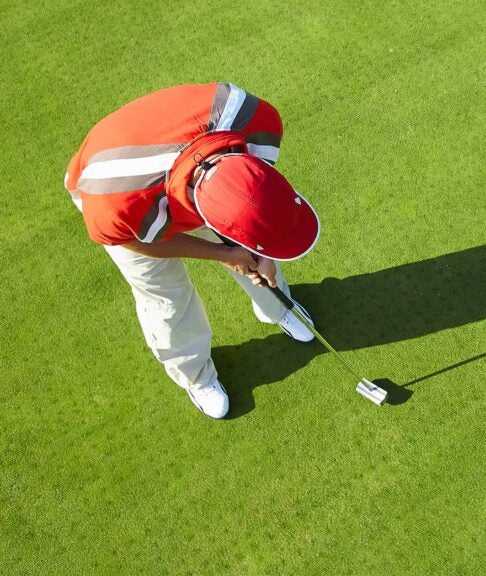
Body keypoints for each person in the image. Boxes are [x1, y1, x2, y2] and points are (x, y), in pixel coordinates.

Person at [64, 83, 320, 419]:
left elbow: (263, 197)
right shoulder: (115, 202)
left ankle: (278, 307)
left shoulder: (256, 119)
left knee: (254, 247)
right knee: (167, 298)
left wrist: (263, 252)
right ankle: (196, 375)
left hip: (185, 160)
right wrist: (225, 255)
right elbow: (133, 239)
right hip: (125, 187)